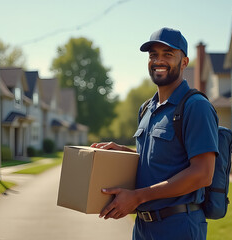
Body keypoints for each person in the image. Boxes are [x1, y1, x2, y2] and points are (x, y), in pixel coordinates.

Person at [91, 27, 219, 240]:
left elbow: (202, 173)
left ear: (184, 62)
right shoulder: (146, 108)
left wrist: (138, 197)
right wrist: (123, 152)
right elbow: (158, 158)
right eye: (153, 55)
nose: (158, 60)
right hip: (143, 228)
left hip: (179, 227)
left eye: (168, 54)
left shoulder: (196, 106)